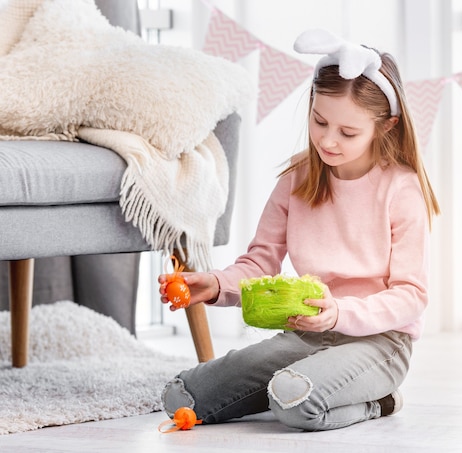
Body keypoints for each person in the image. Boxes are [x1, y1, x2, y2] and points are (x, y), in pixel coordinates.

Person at [158, 28, 440, 432]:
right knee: (182, 396)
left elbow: (412, 296)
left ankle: (381, 401)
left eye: (347, 132)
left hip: (380, 341)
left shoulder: (401, 188)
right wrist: (218, 285)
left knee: (295, 402)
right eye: (319, 121)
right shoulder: (298, 178)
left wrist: (340, 312)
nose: (328, 140)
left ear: (386, 126)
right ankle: (294, 386)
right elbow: (260, 262)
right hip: (307, 335)